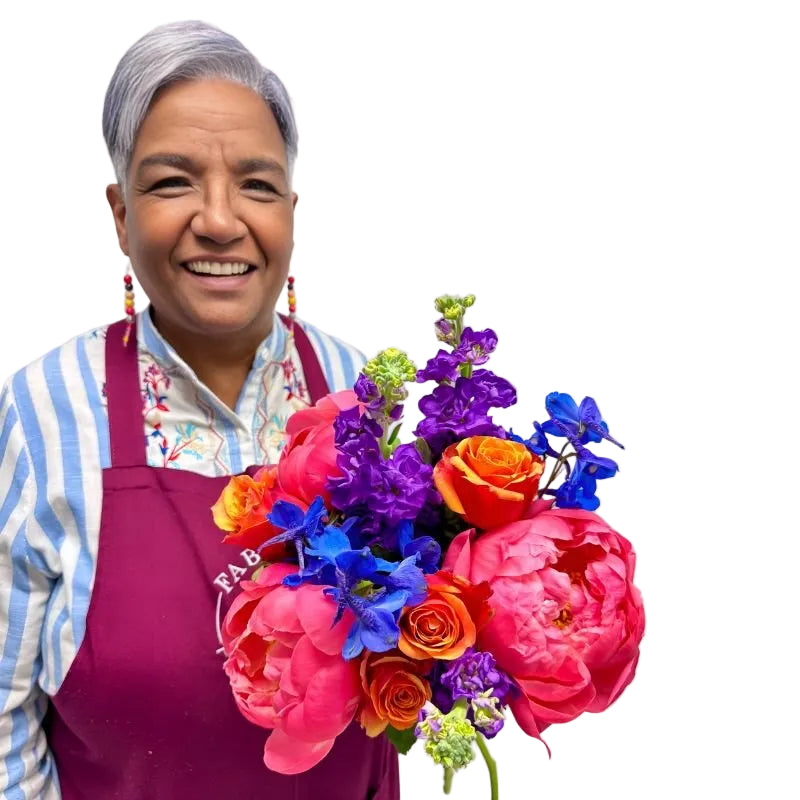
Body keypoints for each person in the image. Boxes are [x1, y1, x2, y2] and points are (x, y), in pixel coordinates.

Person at [0, 20, 399, 800]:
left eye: (256, 184)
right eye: (172, 181)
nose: (220, 221)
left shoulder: (361, 393)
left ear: (290, 209)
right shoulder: (46, 409)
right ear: (120, 214)